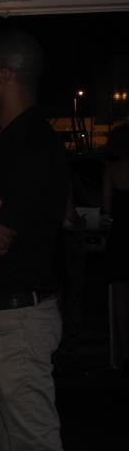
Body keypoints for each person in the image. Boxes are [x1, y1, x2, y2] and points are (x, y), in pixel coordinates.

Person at [0, 31, 75, 451]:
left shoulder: (32, 145)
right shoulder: (1, 142)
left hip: (19, 320)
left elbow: (0, 236)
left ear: (5, 75)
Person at [102, 123, 129, 370]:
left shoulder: (112, 170)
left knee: (120, 297)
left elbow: (107, 208)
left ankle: (123, 351)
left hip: (120, 237)